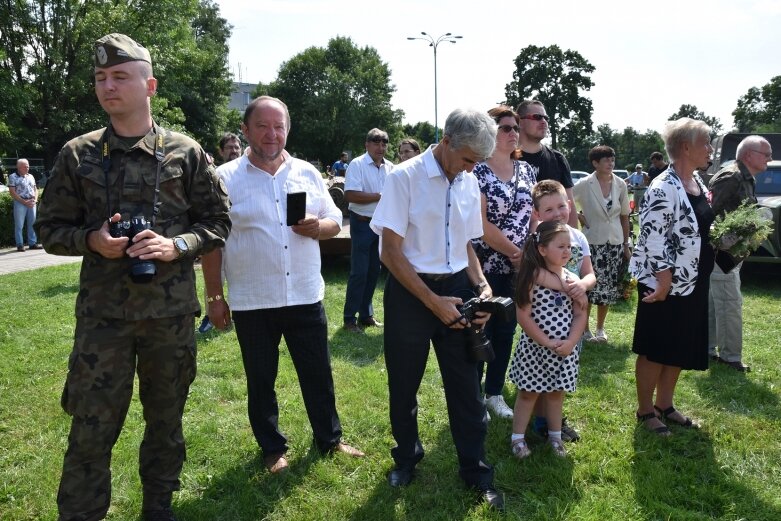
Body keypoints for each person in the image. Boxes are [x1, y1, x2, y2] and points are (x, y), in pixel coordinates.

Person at [34, 33, 231, 521]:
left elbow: (219, 222)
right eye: (101, 78)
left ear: (150, 86)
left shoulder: (185, 153)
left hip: (168, 319)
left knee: (165, 424)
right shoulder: (77, 155)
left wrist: (176, 245)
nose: (108, 86)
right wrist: (91, 241)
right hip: (104, 321)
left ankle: (158, 508)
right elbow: (48, 229)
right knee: (90, 429)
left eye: (120, 76)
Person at [201, 95, 364, 476]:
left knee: (318, 374)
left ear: (287, 129)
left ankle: (330, 438)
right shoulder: (223, 179)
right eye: (262, 126)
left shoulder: (306, 172)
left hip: (305, 294)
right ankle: (272, 448)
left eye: (279, 126)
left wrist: (317, 227)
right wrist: (214, 297)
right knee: (261, 380)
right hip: (253, 299)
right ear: (245, 130)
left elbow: (333, 218)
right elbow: (212, 241)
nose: (272, 134)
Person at [370, 108, 505, 511]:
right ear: (445, 141)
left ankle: (476, 471)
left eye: (477, 163)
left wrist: (482, 286)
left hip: (459, 287)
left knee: (467, 386)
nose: (471, 168)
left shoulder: (468, 180)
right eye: (467, 159)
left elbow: (467, 247)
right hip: (412, 293)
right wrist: (431, 301)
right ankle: (407, 458)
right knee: (404, 383)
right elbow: (390, 253)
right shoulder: (404, 177)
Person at [631, 118, 714, 436]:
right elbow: (652, 238)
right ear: (686, 147)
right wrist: (664, 281)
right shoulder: (663, 185)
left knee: (677, 345)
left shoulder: (697, 182)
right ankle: (644, 409)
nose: (709, 149)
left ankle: (665, 404)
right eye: (706, 142)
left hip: (693, 280)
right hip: (663, 284)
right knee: (656, 347)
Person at [471, 105, 536, 420]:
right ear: (490, 132)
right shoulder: (477, 171)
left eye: (516, 128)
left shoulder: (527, 170)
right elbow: (480, 225)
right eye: (506, 128)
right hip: (483, 266)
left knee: (506, 329)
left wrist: (529, 253)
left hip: (519, 267)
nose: (514, 133)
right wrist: (516, 251)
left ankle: (494, 393)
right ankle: (473, 392)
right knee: (481, 327)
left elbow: (533, 215)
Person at [508, 221, 587, 458]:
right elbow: (523, 314)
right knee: (528, 394)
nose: (567, 251)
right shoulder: (531, 275)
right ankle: (517, 439)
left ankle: (555, 437)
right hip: (535, 348)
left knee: (555, 394)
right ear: (542, 249)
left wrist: (571, 342)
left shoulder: (573, 279)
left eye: (570, 247)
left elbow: (581, 313)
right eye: (561, 246)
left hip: (563, 350)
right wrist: (545, 341)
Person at [529, 180, 596, 441]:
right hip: (543, 319)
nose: (557, 213)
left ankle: (555, 420)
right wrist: (568, 286)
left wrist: (582, 284)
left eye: (561, 206)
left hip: (572, 318)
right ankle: (540, 422)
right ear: (537, 214)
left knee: (561, 372)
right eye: (548, 210)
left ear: (569, 205)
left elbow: (590, 274)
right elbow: (533, 274)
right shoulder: (537, 239)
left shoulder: (577, 237)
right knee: (538, 373)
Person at [708, 135, 772, 372]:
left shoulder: (744, 177)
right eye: (765, 153)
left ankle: (709, 349)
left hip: (730, 253)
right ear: (748, 154)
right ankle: (730, 357)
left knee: (717, 303)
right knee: (729, 303)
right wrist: (721, 243)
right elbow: (708, 213)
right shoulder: (731, 176)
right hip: (721, 254)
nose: (770, 158)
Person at [573, 146, 631, 343]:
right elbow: (567, 202)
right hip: (592, 244)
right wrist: (579, 215)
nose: (610, 163)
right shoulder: (583, 184)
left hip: (614, 243)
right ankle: (584, 328)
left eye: (612, 159)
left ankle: (600, 328)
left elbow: (625, 216)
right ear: (595, 163)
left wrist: (626, 243)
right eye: (606, 160)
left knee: (607, 289)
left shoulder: (621, 184)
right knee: (589, 288)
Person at [342, 128, 393, 333]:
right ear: (367, 144)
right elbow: (350, 195)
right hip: (362, 223)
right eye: (376, 142)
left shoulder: (391, 167)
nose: (380, 146)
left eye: (384, 143)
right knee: (360, 272)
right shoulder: (357, 164)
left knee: (374, 271)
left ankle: (365, 315)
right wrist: (380, 196)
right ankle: (349, 319)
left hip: (381, 225)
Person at [198, 131, 243, 333]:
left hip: (240, 236)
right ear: (221, 150)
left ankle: (237, 313)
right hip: (218, 236)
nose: (234, 151)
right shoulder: (213, 173)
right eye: (229, 148)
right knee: (215, 276)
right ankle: (210, 315)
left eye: (236, 147)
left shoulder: (244, 172)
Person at [516, 99, 578, 228]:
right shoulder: (507, 158)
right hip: (514, 242)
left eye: (545, 118)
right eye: (537, 117)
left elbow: (569, 204)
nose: (543, 121)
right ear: (520, 122)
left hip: (551, 242)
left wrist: (572, 241)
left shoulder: (557, 159)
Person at [8, 158, 42, 251]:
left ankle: (32, 243)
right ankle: (20, 244)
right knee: (19, 225)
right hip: (20, 203)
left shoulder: (31, 176)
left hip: (31, 202)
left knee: (32, 224)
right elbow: (12, 192)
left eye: (28, 166)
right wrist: (24, 202)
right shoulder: (12, 177)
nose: (27, 168)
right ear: (19, 167)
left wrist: (35, 200)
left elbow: (35, 189)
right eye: (25, 166)